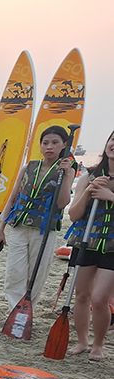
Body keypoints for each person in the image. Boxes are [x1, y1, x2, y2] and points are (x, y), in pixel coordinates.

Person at [0, 125, 75, 311]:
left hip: (44, 229)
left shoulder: (66, 171)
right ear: (40, 146)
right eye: (45, 142)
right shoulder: (29, 167)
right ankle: (15, 311)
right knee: (15, 272)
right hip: (19, 225)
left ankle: (28, 309)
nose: (49, 146)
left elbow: (63, 203)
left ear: (64, 145)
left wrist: (67, 175)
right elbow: (13, 197)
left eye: (55, 142)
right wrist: (1, 229)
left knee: (37, 274)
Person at [66, 130, 114, 360]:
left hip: (112, 248)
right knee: (82, 295)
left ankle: (98, 345)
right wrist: (88, 190)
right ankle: (82, 342)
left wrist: (110, 195)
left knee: (99, 298)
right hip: (88, 242)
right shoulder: (89, 175)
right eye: (113, 139)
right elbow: (74, 215)